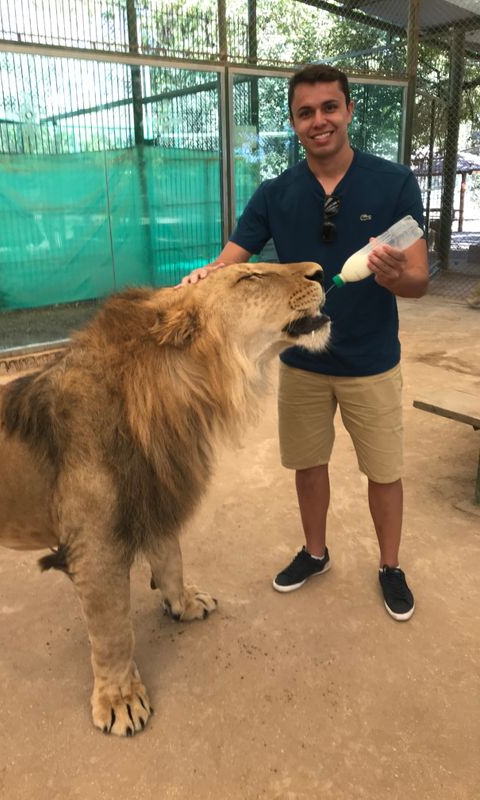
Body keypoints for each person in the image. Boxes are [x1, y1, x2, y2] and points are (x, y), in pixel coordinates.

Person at [181, 64, 429, 621]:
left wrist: (394, 278)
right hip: (302, 361)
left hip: (371, 360)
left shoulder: (393, 183)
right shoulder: (276, 193)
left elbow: (419, 278)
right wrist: (204, 278)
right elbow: (230, 264)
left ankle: (390, 566)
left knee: (384, 470)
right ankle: (315, 553)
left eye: (329, 108)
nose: (319, 121)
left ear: (349, 110)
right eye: (306, 112)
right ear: (294, 122)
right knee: (308, 465)